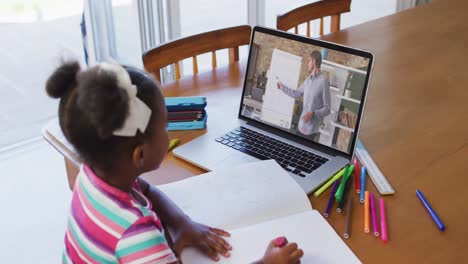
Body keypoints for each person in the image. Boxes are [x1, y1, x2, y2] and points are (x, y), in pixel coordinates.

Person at [46, 61, 303, 263]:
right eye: (165, 127)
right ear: (140, 155)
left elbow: (147, 190)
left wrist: (182, 224)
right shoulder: (137, 236)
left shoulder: (93, 175)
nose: (169, 134)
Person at [277, 50, 331, 141]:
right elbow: (296, 93)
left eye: (309, 61)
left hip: (310, 132)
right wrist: (282, 87)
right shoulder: (307, 80)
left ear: (314, 61)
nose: (308, 63)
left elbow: (327, 109)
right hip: (300, 127)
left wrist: (313, 113)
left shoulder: (324, 82)